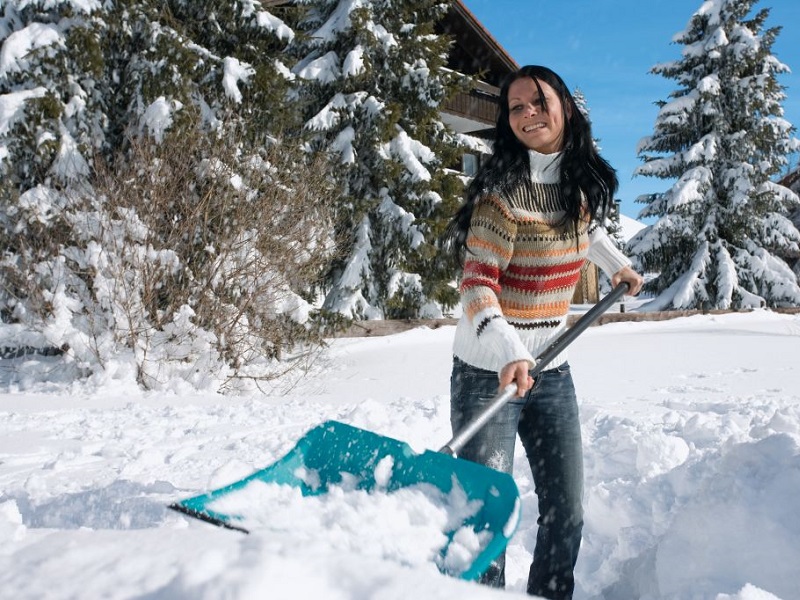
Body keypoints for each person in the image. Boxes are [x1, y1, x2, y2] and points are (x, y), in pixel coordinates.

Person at [444, 65, 644, 599]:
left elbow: (585, 228)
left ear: (565, 109)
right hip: (490, 372)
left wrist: (616, 265)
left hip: (551, 369)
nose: (528, 114)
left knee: (567, 512)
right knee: (485, 520)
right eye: (516, 108)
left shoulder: (574, 187)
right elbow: (476, 286)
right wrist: (509, 352)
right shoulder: (501, 197)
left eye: (538, 101)